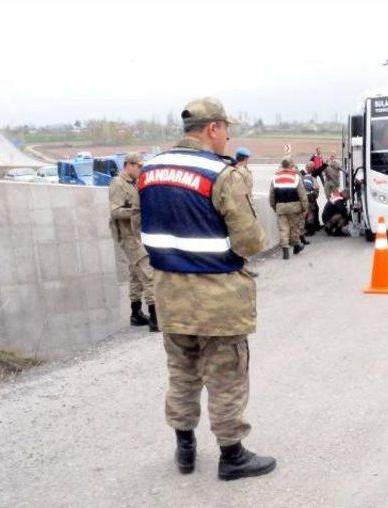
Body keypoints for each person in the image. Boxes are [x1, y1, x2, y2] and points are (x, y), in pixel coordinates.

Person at [139, 97, 276, 480]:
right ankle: (232, 456)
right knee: (226, 376)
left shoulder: (148, 170)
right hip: (217, 297)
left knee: (181, 373)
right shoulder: (222, 174)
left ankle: (184, 449)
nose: (227, 139)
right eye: (226, 131)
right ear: (213, 128)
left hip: (169, 293)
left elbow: (141, 226)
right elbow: (249, 241)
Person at [108, 152, 158, 332]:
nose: (140, 169)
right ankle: (155, 316)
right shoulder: (118, 184)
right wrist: (137, 211)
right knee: (148, 272)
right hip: (129, 236)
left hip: (137, 233)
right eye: (138, 166)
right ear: (128, 165)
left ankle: (136, 313)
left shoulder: (133, 183)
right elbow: (115, 211)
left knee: (136, 274)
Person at [269, 158, 308, 260]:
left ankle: (285, 250)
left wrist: (274, 207)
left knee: (283, 229)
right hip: (294, 207)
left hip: (280, 207)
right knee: (294, 228)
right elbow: (302, 195)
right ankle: (296, 246)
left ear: (282, 166)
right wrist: (305, 208)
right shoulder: (296, 178)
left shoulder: (275, 178)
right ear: (291, 166)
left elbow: (271, 196)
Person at [302, 161, 321, 235]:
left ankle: (308, 227)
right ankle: (310, 229)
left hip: (304, 197)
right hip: (310, 197)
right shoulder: (312, 177)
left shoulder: (302, 175)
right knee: (310, 213)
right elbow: (316, 188)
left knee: (307, 212)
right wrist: (315, 197)